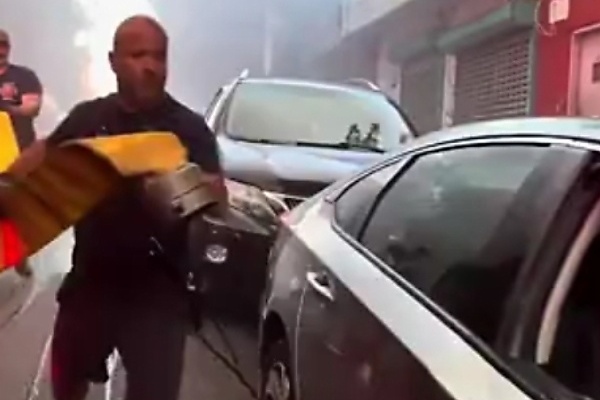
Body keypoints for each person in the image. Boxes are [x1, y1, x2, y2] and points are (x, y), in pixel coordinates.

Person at [22, 15, 225, 400]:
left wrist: (176, 191)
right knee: (66, 384)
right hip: (91, 283)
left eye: (159, 57)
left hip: (157, 292)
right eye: (138, 55)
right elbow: (44, 153)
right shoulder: (89, 118)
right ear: (113, 61)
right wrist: (10, 181)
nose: (151, 66)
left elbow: (216, 192)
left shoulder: (188, 128)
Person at [0, 28, 43, 278]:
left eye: (4, 45)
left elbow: (31, 107)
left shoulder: (23, 76)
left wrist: (7, 108)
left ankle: (19, 256)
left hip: (20, 151)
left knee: (17, 205)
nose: (0, 50)